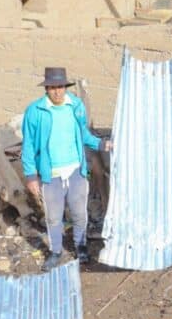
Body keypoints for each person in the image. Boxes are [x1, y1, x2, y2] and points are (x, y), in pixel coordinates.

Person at [22, 67, 112, 272]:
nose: (57, 91)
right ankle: (55, 251)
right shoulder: (35, 111)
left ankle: (81, 247)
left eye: (60, 87)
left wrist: (101, 144)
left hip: (75, 170)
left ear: (65, 87)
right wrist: (30, 176)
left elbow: (84, 135)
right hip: (50, 173)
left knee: (80, 213)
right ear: (46, 88)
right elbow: (28, 146)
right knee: (54, 216)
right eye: (52, 87)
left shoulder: (75, 106)